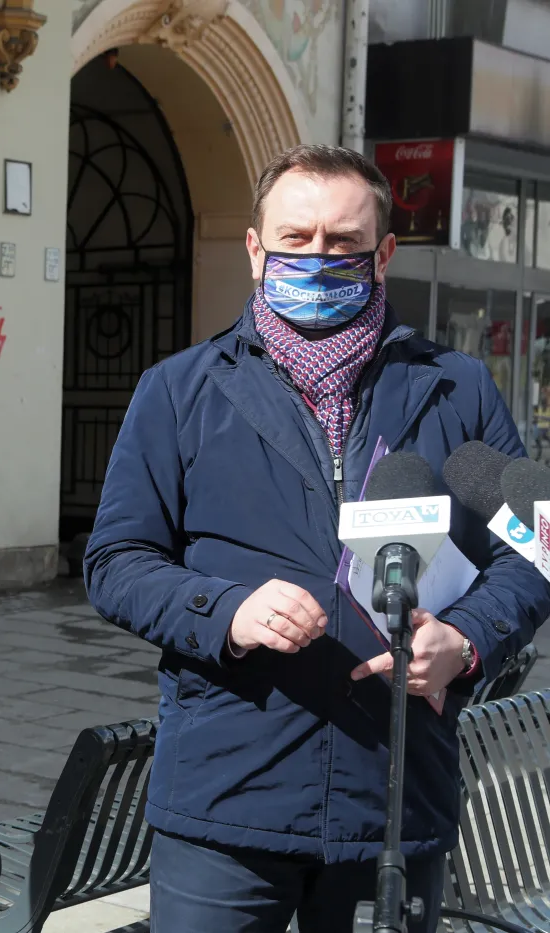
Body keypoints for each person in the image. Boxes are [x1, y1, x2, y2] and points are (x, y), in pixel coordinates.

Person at [82, 144, 550, 933]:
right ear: (257, 246)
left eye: (342, 241)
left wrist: (468, 641)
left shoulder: (457, 387)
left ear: (384, 253)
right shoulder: (180, 390)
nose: (318, 256)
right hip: (226, 801)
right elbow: (116, 562)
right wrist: (224, 609)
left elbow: (532, 548)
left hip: (394, 798)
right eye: (295, 239)